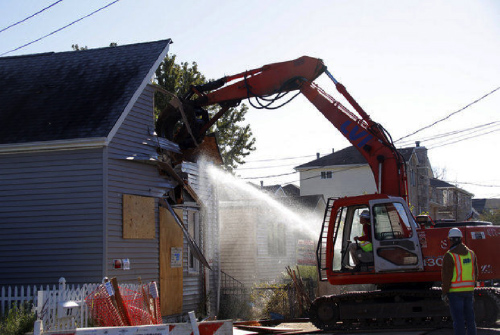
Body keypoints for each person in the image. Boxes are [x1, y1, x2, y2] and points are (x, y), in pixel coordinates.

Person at [441, 227, 479, 335]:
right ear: (461, 239)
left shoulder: (449, 255)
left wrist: (444, 292)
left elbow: (446, 276)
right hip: (469, 291)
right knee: (471, 320)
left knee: (459, 321)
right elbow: (476, 272)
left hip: (455, 293)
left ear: (451, 239)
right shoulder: (471, 254)